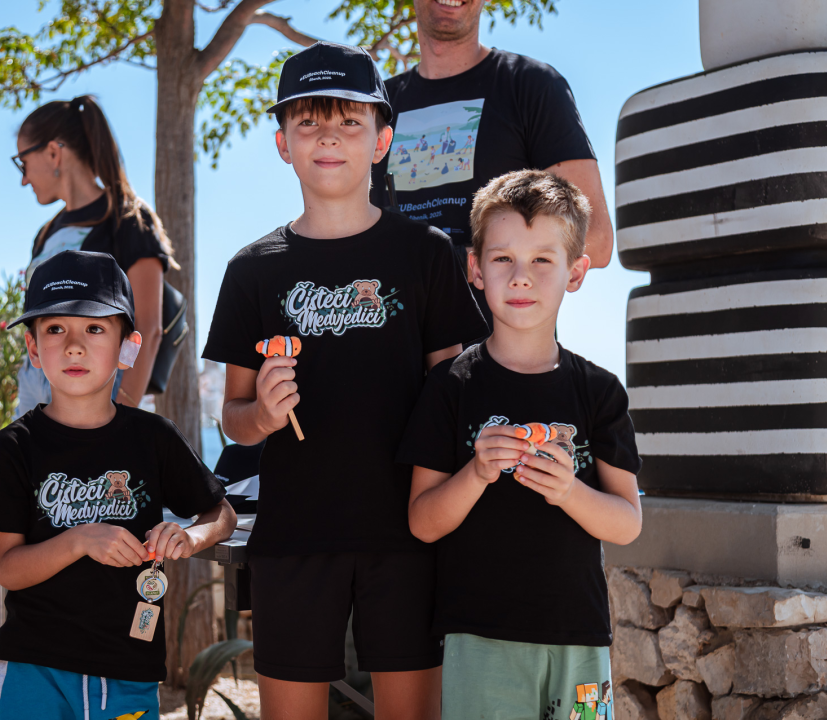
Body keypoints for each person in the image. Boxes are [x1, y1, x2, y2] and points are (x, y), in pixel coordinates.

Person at [203, 42, 486, 720]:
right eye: (307, 122)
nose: (328, 136)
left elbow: (450, 395)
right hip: (293, 538)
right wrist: (263, 417)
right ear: (281, 144)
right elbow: (232, 417)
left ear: (382, 141)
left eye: (349, 122)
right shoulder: (252, 270)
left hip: (409, 535)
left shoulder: (426, 256)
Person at [399, 170, 642, 720]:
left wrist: (569, 492)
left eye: (542, 260)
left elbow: (627, 522)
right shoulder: (449, 388)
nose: (522, 278)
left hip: (579, 637)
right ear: (475, 269)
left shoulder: (599, 391)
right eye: (504, 258)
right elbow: (422, 521)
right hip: (478, 637)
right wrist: (477, 473)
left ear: (576, 272)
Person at [0, 250, 235, 719]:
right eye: (54, 329)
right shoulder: (9, 450)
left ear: (128, 347)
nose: (73, 345)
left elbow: (221, 514)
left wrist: (190, 536)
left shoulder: (153, 438)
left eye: (93, 328)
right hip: (31, 668)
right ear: (32, 348)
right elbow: (8, 568)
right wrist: (80, 539)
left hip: (127, 669)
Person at [371, 0, 614, 330]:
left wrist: (465, 262)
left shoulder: (531, 86)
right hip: (396, 361)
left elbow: (596, 239)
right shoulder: (375, 110)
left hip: (504, 367)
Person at [12, 95, 175, 416]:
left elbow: (149, 328)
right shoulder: (45, 233)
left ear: (53, 153)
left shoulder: (128, 220)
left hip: (99, 397)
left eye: (23, 162)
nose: (23, 178)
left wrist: (120, 415)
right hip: (36, 389)